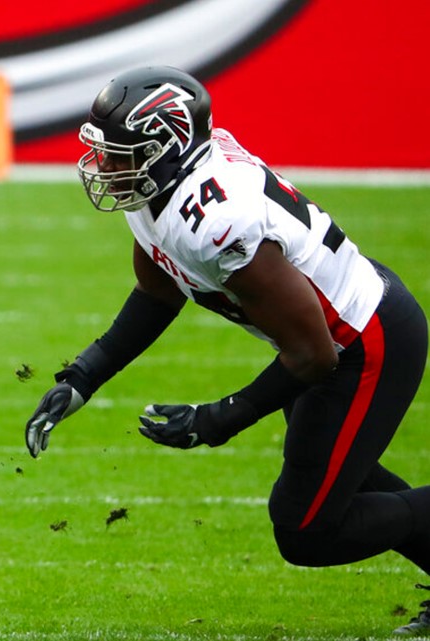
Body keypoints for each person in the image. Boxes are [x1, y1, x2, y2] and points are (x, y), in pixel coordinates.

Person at [23, 65, 430, 635]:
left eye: (120, 152)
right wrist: (83, 376)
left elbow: (315, 355)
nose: (105, 166)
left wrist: (217, 419)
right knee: (340, 481)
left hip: (363, 339)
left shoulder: (214, 218)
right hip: (330, 341)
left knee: (307, 528)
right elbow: (157, 290)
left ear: (164, 146)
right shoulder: (158, 189)